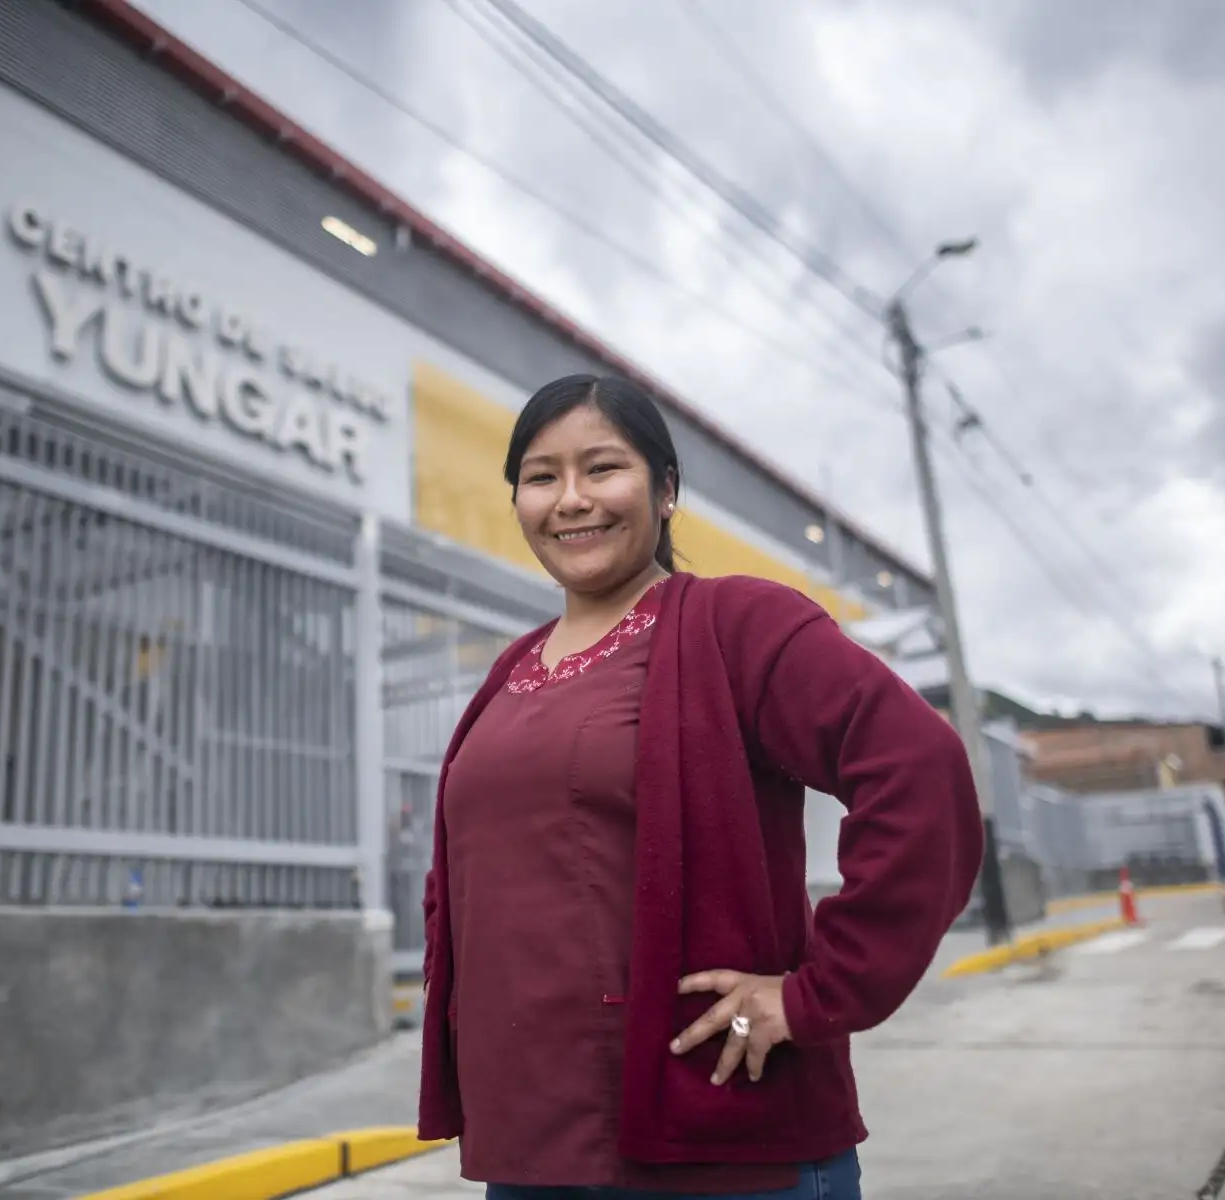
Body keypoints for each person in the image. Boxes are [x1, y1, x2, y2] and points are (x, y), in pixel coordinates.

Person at [416, 374, 985, 1198]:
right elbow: (465, 880)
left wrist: (819, 992)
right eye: (541, 477)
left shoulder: (736, 626)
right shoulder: (510, 672)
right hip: (530, 1153)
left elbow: (917, 771)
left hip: (716, 1149)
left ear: (667, 490)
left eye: (602, 469)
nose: (571, 499)